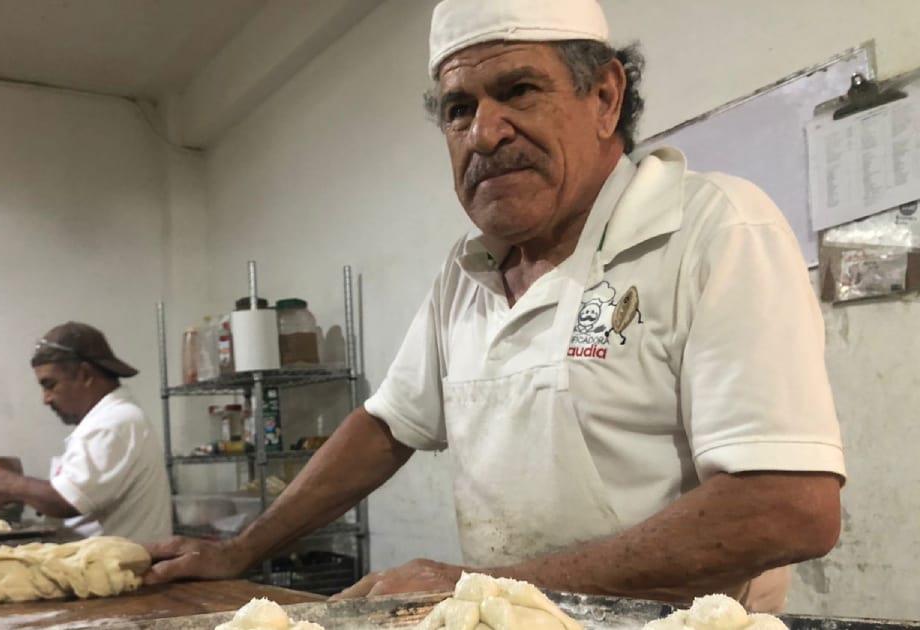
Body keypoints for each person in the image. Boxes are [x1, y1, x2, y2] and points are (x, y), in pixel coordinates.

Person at [144, 0, 844, 612]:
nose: (485, 133)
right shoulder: (466, 271)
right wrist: (241, 552)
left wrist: (483, 585)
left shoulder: (711, 230)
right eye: (459, 110)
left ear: (604, 98)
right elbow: (387, 425)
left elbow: (786, 507)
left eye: (518, 91)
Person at [0, 321, 172, 543]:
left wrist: (14, 484)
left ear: (85, 374)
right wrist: (24, 495)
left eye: (50, 385)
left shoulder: (114, 423)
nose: (46, 399)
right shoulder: (107, 420)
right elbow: (77, 497)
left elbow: (66, 501)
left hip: (119, 571)